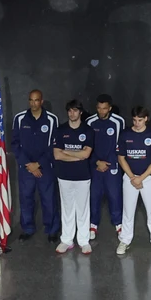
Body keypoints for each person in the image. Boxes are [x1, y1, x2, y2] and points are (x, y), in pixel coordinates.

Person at [8, 89, 59, 241]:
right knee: (26, 198)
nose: (33, 103)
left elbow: (54, 146)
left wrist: (39, 164)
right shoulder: (19, 118)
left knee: (48, 199)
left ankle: (52, 230)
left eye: (36, 100)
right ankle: (28, 228)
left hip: (45, 167)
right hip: (26, 168)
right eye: (31, 100)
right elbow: (15, 144)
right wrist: (28, 164)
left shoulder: (51, 120)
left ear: (41, 101)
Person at [116, 107, 151, 255]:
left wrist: (141, 178)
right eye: (135, 120)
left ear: (146, 119)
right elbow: (121, 158)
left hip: (147, 179)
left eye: (140, 120)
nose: (137, 123)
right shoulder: (125, 134)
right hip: (129, 178)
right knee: (128, 211)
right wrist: (132, 177)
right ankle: (125, 240)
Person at [50, 100, 94, 255]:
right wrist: (78, 155)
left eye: (75, 111)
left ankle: (83, 241)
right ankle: (67, 240)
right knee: (67, 208)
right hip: (64, 176)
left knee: (82, 209)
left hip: (83, 176)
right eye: (69, 111)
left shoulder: (88, 131)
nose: (72, 113)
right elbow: (57, 154)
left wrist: (67, 153)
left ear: (80, 112)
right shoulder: (60, 130)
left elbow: (86, 154)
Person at [86, 94, 124, 247]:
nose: (101, 111)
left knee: (114, 196)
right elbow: (88, 144)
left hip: (112, 165)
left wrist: (108, 163)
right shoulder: (89, 122)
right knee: (94, 196)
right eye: (99, 108)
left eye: (104, 108)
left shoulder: (118, 122)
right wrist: (96, 162)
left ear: (110, 108)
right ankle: (93, 224)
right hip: (95, 166)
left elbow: (119, 145)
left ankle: (119, 225)